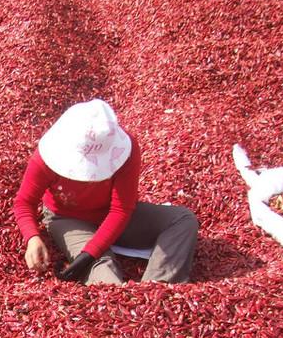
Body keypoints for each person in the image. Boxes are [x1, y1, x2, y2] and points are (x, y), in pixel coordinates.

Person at [13, 98, 198, 285]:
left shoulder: (126, 150)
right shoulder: (48, 155)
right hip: (67, 218)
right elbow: (24, 202)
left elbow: (121, 209)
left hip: (113, 214)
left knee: (182, 220)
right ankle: (130, 300)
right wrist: (32, 237)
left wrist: (90, 252)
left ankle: (155, 290)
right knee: (103, 269)